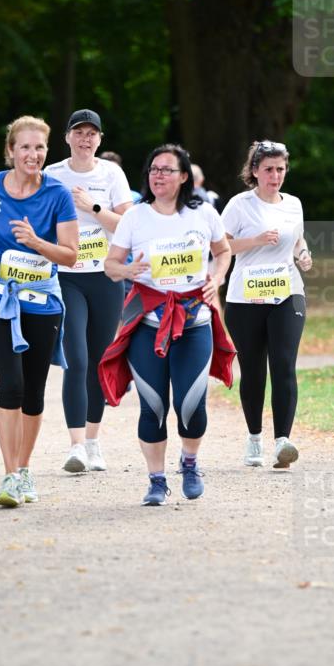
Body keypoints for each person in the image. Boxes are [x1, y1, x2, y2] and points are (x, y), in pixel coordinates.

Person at [101, 143, 234, 506]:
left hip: (194, 319)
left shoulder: (203, 212)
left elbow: (223, 252)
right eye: (153, 170)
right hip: (148, 320)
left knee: (192, 405)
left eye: (166, 170)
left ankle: (189, 463)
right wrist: (126, 270)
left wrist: (216, 278)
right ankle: (156, 481)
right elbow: (110, 265)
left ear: (184, 177)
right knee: (153, 406)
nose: (158, 175)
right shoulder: (135, 216)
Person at [0, 115, 79, 507]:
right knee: (9, 385)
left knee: (33, 390)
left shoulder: (58, 194)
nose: (33, 154)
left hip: (43, 298)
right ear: (10, 151)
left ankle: (25, 469)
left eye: (40, 147)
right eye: (25, 147)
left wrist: (35, 241)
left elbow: (71, 255)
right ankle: (10, 475)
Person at [45, 109, 133, 473]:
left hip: (106, 277)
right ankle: (76, 445)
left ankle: (94, 442)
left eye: (92, 133)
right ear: (67, 137)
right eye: (78, 132)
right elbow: (40, 219)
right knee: (76, 360)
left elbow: (128, 223)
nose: (85, 138)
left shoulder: (111, 174)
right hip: (67, 276)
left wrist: (93, 207)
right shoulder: (51, 174)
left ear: (100, 139)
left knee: (98, 362)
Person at [221, 140, 312, 469]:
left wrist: (303, 255)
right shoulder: (239, 205)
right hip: (246, 296)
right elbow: (220, 246)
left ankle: (282, 442)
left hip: (287, 290)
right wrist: (256, 241)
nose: (275, 176)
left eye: (281, 169)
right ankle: (255, 439)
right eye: (269, 169)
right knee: (254, 370)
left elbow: (298, 240)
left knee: (285, 365)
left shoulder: (294, 204)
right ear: (255, 171)